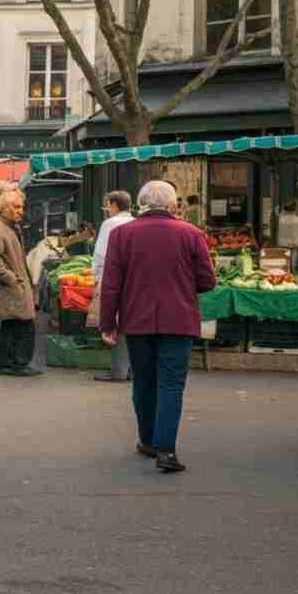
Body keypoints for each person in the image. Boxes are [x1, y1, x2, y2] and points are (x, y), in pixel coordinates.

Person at [100, 180, 216, 473]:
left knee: (143, 381)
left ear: (141, 203)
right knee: (171, 384)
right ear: (173, 204)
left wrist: (108, 324)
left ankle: (148, 441)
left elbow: (111, 285)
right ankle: (167, 450)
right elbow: (207, 281)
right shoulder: (191, 234)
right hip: (179, 321)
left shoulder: (121, 234)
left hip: (137, 321)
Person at [0, 188, 41, 377]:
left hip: (14, 286)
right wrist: (11, 279)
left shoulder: (8, 227)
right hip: (11, 287)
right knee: (22, 325)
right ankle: (17, 364)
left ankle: (4, 364)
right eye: (16, 207)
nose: (20, 211)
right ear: (3, 208)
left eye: (21, 207)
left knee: (13, 325)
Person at [89, 191, 136, 383]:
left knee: (115, 323)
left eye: (108, 205)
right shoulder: (135, 222)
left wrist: (96, 277)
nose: (107, 209)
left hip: (112, 277)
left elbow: (101, 254)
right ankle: (131, 369)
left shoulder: (109, 224)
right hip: (133, 279)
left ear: (114, 205)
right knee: (131, 322)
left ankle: (118, 371)